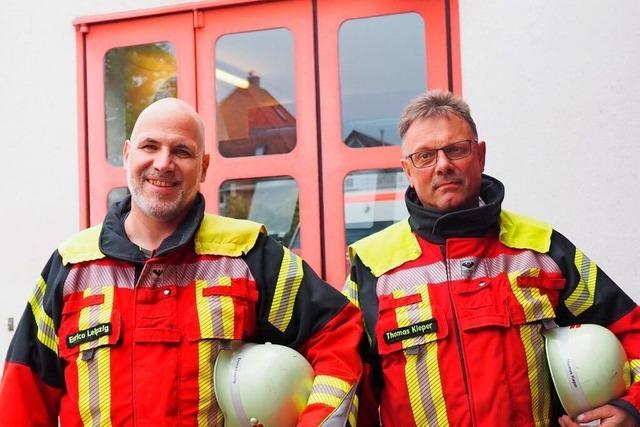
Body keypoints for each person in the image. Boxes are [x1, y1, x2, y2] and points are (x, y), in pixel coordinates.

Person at [0, 98, 362, 426]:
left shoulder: (249, 255)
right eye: (150, 146)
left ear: (203, 167)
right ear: (127, 155)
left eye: (182, 151)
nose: (163, 163)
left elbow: (338, 334)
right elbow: (23, 394)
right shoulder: (71, 267)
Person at [343, 90, 640, 427]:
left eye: (456, 149)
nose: (443, 165)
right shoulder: (372, 267)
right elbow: (350, 390)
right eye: (425, 156)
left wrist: (632, 408)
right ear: (407, 170)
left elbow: (631, 330)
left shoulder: (541, 248)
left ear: (480, 155)